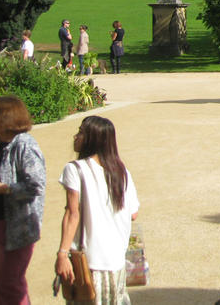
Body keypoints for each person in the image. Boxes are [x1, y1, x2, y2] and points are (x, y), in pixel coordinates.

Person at [55, 116, 139, 304]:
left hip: (89, 262)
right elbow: (133, 213)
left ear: (92, 139)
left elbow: (72, 212)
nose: (75, 137)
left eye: (81, 133)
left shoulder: (75, 169)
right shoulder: (121, 171)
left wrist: (62, 253)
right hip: (116, 261)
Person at [0, 96, 46, 304]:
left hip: (17, 226)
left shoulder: (24, 145)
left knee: (9, 284)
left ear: (7, 117)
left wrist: (2, 188)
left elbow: (36, 185)